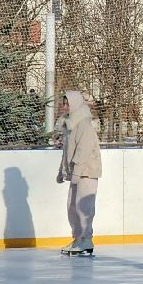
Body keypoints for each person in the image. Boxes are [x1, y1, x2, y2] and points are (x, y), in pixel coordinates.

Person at [56, 90, 102, 257]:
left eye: (67, 103)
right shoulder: (71, 124)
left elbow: (84, 149)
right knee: (72, 206)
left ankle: (86, 239)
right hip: (77, 172)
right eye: (64, 103)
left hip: (87, 171)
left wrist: (77, 170)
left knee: (84, 206)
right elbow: (67, 151)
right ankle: (78, 238)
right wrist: (62, 171)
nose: (65, 106)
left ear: (75, 104)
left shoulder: (84, 124)